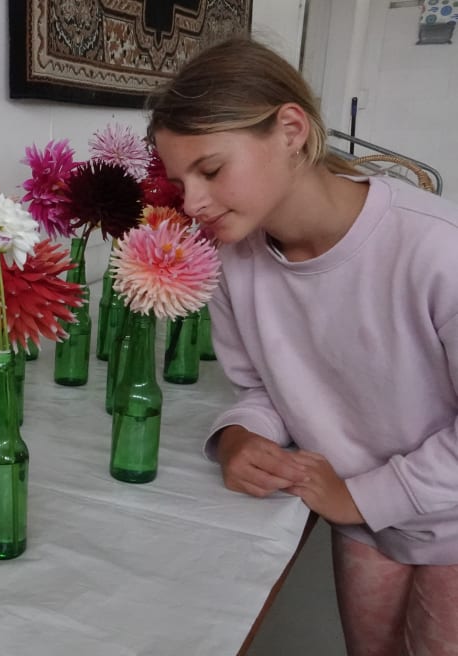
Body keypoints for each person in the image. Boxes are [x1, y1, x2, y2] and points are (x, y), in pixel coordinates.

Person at [146, 37, 458, 655]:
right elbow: (262, 386)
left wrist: (364, 495)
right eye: (179, 180)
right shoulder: (235, 261)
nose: (193, 202)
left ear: (291, 129)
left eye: (210, 170)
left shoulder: (436, 249)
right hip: (365, 529)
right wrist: (238, 434)